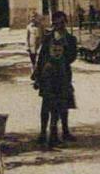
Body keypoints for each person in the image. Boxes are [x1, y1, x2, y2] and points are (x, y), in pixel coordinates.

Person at [33, 11, 77, 147]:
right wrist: (37, 76)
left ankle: (62, 132)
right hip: (48, 76)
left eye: (62, 23)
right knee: (47, 104)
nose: (59, 25)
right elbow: (41, 57)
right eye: (56, 23)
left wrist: (64, 54)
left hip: (63, 75)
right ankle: (42, 133)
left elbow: (72, 57)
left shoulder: (70, 39)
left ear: (66, 23)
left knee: (63, 104)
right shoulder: (47, 38)